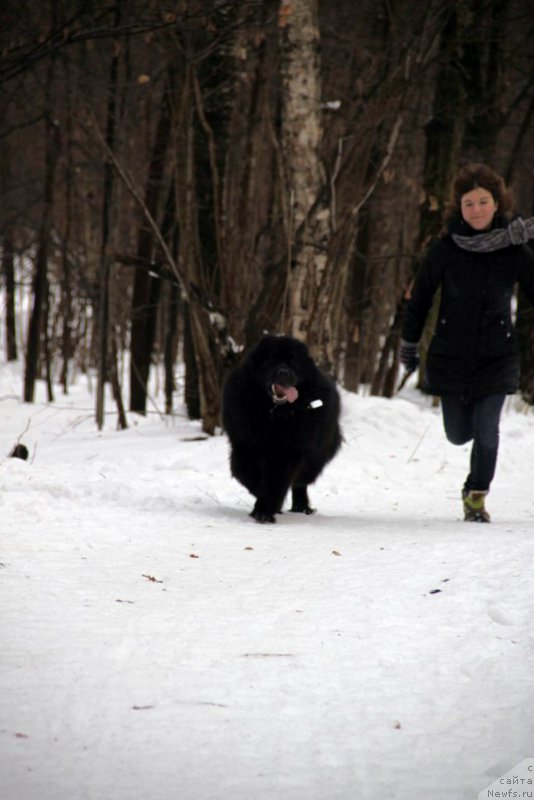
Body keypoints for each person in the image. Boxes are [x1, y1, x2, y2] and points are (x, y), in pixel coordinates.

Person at [400, 163, 534, 522]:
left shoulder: (515, 249)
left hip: (497, 356)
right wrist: (410, 343)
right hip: (451, 357)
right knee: (459, 435)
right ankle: (474, 479)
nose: (476, 210)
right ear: (458, 207)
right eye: (469, 203)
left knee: (487, 430)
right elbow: (421, 298)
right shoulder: (444, 250)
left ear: (497, 203)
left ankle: (476, 495)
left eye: (483, 201)